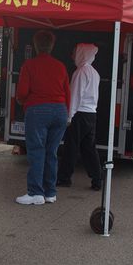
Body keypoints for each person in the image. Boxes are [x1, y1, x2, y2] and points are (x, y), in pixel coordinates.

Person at [15, 30, 70, 205]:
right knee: (51, 152)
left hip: (37, 110)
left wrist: (22, 101)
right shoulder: (60, 66)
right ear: (52, 46)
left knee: (36, 151)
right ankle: (50, 192)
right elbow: (67, 93)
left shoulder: (29, 65)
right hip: (60, 111)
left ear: (36, 45)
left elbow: (22, 92)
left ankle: (35, 193)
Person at [56, 43, 102, 191]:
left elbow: (75, 95)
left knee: (71, 147)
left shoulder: (80, 72)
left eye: (75, 52)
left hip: (79, 114)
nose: (73, 55)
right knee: (89, 148)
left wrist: (69, 116)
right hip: (91, 114)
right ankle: (97, 178)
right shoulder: (94, 73)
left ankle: (64, 178)